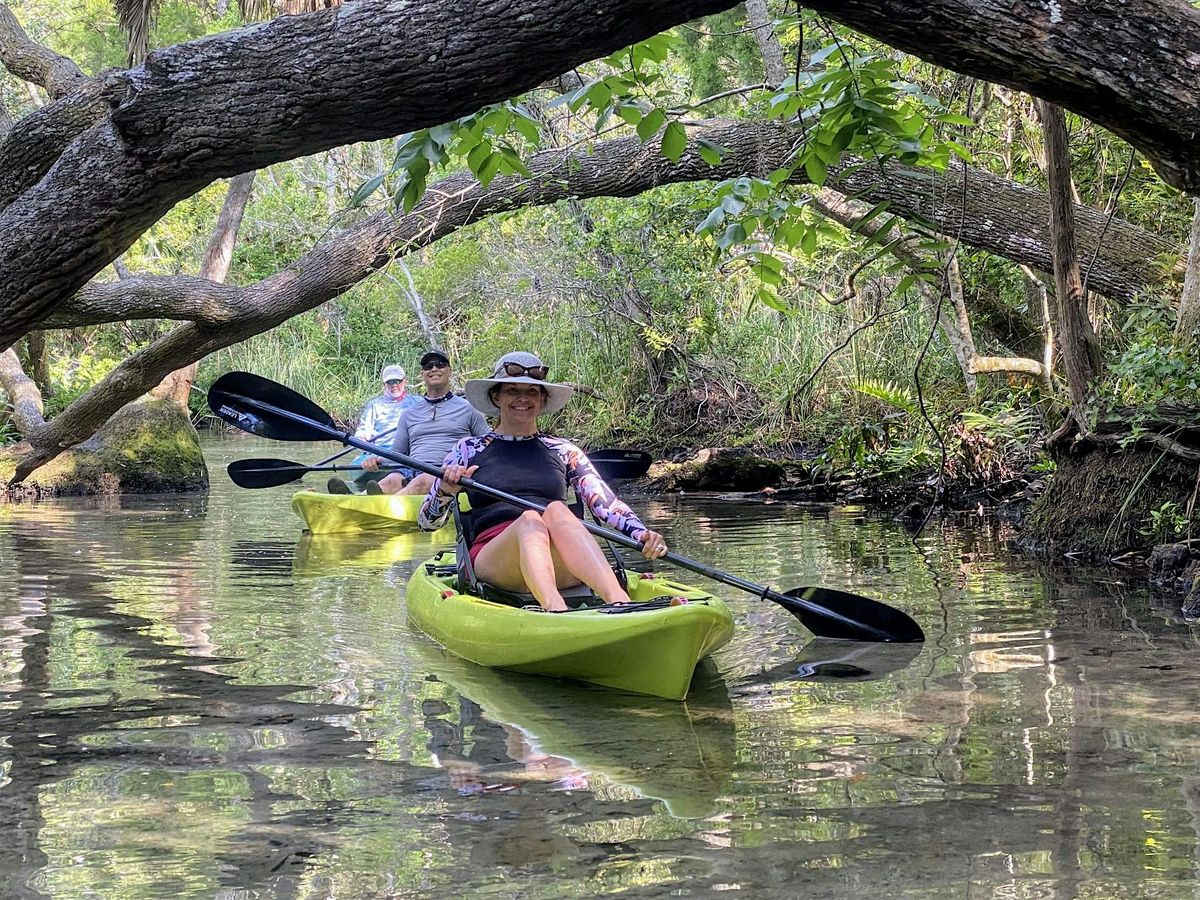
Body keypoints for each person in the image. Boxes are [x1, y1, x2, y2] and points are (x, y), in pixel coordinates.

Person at [418, 351, 669, 612]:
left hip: (559, 557)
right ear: (496, 397)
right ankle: (555, 608)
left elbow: (605, 502)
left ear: (542, 399)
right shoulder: (468, 449)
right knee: (530, 519)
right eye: (512, 390)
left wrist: (641, 533)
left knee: (557, 509)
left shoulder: (563, 449)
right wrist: (445, 490)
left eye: (532, 392)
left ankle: (620, 602)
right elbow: (427, 523)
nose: (523, 398)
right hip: (496, 560)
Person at [360, 349, 488, 495]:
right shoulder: (408, 414)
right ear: (423, 374)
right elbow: (396, 453)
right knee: (391, 481)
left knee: (421, 482)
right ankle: (352, 500)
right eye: (428, 366)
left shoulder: (469, 409)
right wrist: (377, 460)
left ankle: (371, 506)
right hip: (413, 471)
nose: (434, 369)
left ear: (449, 371)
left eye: (440, 364)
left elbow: (488, 446)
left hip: (449, 474)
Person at [327, 363, 420, 494]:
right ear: (384, 384)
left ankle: (361, 496)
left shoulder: (418, 403)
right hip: (378, 452)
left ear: (405, 381)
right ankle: (365, 490)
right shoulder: (375, 405)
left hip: (405, 452)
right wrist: (361, 440)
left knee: (405, 464)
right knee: (362, 462)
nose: (394, 385)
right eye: (390, 382)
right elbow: (363, 433)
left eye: (397, 381)